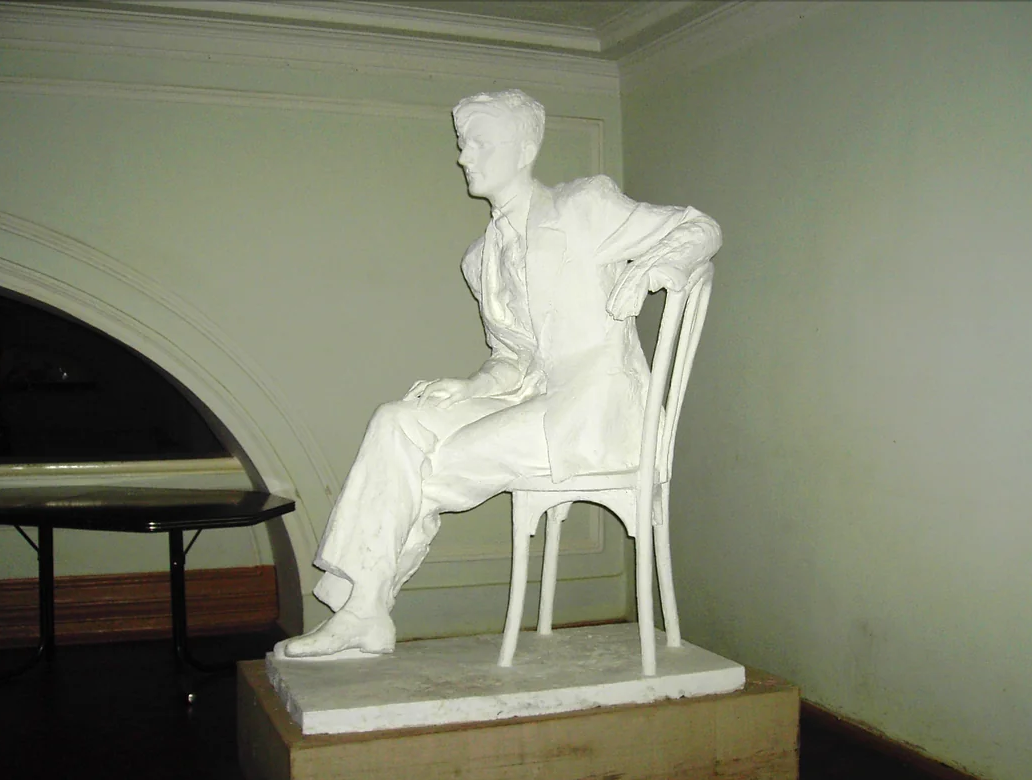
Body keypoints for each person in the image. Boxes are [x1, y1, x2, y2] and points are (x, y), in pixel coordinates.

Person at [278, 89, 721, 659]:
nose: (464, 156)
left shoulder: (583, 206)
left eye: (480, 143)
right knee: (397, 421)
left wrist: (656, 268)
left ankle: (365, 609)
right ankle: (362, 610)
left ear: (525, 148)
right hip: (530, 400)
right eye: (464, 144)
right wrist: (470, 387)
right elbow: (513, 358)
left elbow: (699, 228)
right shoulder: (480, 258)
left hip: (595, 406)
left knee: (433, 467)